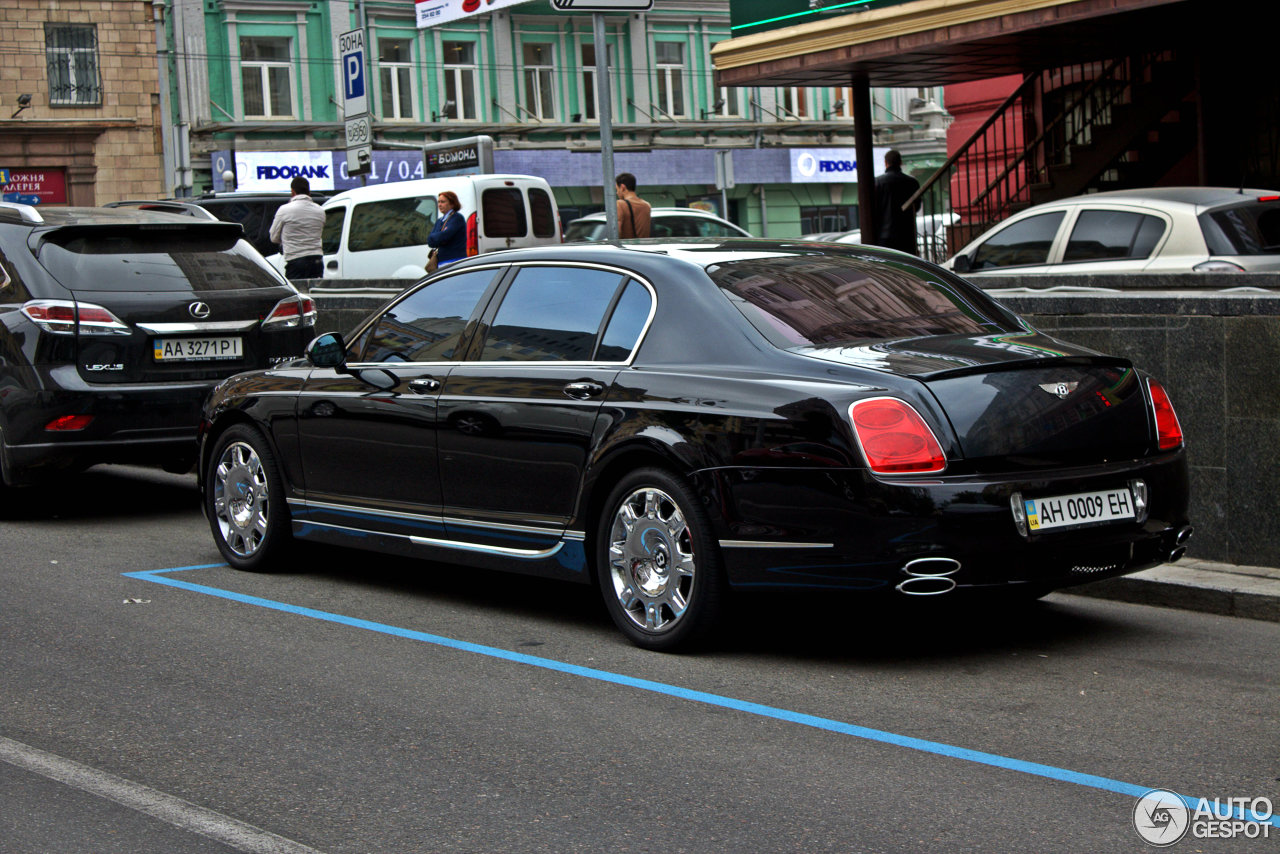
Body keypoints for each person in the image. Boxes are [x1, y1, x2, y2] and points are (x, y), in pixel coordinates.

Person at [269, 176, 326, 280]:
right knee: (315, 294)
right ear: (309, 192)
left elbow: (273, 237)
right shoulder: (320, 211)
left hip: (296, 262)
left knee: (298, 293)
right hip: (317, 261)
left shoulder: (284, 210)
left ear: (292, 192)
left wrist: (287, 239)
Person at [874, 149, 921, 255]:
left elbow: (874, 210)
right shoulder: (912, 183)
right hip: (907, 235)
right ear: (900, 163)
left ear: (886, 163)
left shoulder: (877, 182)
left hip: (884, 237)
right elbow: (916, 207)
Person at [427, 190, 467, 267]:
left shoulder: (457, 218)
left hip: (455, 261)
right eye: (438, 202)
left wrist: (436, 236)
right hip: (441, 262)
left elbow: (445, 236)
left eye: (443, 202)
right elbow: (430, 241)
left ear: (452, 204)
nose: (439, 205)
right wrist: (438, 236)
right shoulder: (439, 221)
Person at [615, 173, 651, 239]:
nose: (617, 193)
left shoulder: (620, 204)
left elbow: (616, 232)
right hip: (643, 247)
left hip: (626, 247)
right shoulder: (647, 205)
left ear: (623, 187)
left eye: (617, 189)